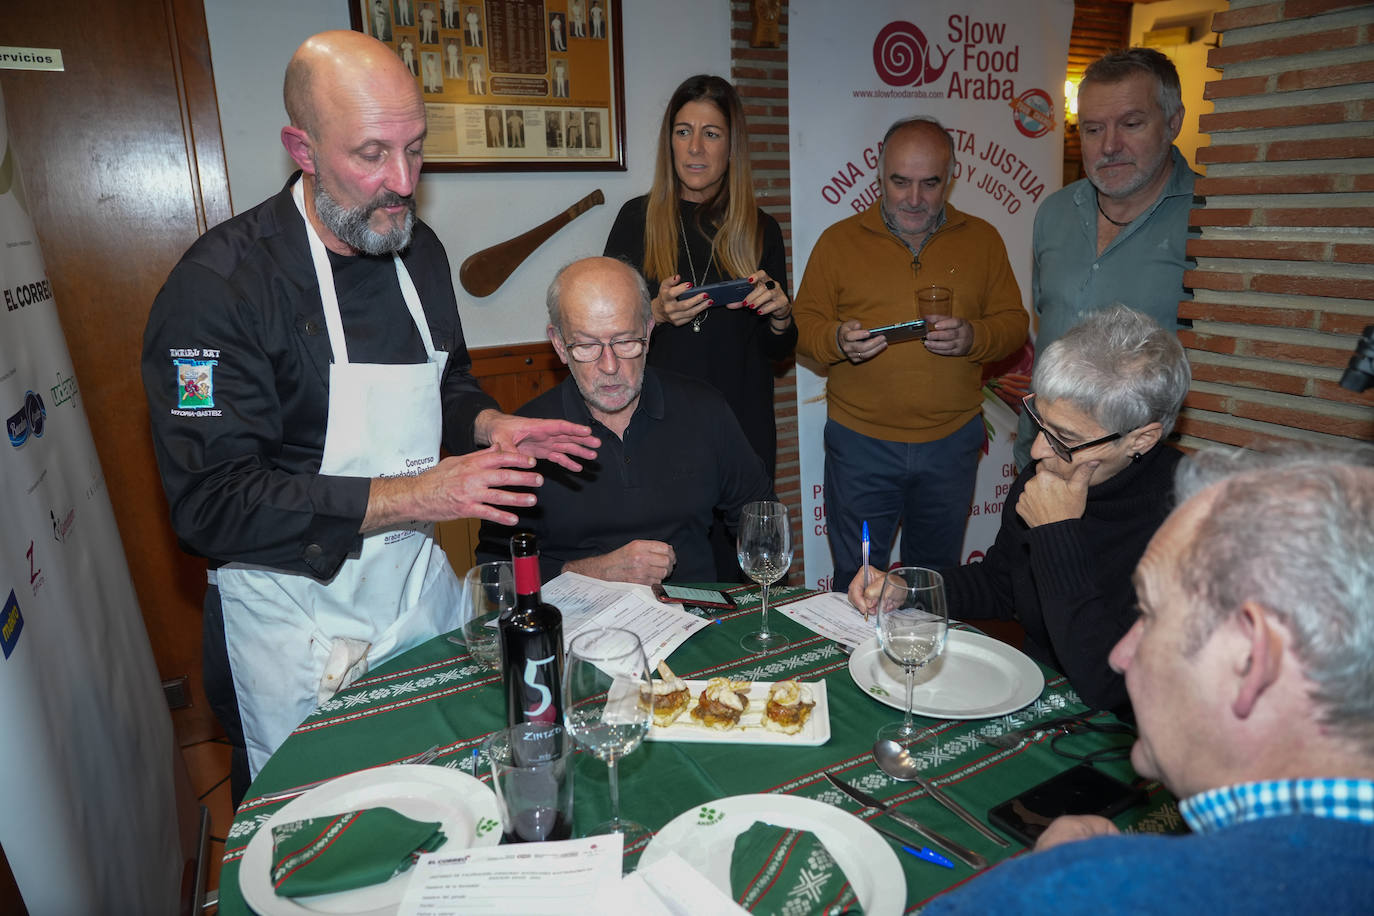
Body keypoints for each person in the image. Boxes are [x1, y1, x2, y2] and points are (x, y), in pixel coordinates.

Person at [141, 30, 597, 804]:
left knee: (448, 806)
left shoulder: (418, 252)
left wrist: (490, 426)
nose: (403, 183)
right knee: (323, 832)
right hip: (295, 623)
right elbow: (211, 504)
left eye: (416, 150)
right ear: (304, 149)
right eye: (372, 155)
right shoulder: (219, 290)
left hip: (413, 598)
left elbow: (448, 382)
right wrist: (419, 495)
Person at [923, 443, 1374, 913]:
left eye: (1150, 614)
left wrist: (1065, 888)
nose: (1121, 656)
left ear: (1249, 660)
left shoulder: (1081, 893)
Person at [850, 306, 1188, 715]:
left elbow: (1110, 686)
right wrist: (909, 590)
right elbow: (1001, 585)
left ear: (1142, 440)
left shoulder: (1189, 523)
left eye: (1065, 438)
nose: (1039, 450)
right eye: (1039, 423)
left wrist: (1056, 532)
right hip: (1036, 695)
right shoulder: (1049, 471)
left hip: (1119, 729)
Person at [794, 116, 1027, 588]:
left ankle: (925, 642)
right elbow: (801, 327)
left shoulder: (983, 239)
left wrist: (975, 337)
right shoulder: (838, 242)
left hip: (950, 444)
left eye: (930, 183)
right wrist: (836, 340)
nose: (914, 199)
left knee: (934, 583)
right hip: (861, 445)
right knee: (858, 581)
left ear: (951, 177)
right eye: (900, 182)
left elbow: (1014, 324)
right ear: (879, 176)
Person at [476, 257, 774, 585]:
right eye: (587, 345)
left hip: (694, 611)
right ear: (559, 344)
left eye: (625, 341)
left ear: (648, 331)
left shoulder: (704, 409)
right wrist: (591, 572)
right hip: (573, 615)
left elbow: (763, 523)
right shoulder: (526, 436)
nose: (609, 366)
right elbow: (495, 573)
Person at [604, 75, 793, 580]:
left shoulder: (761, 228)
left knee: (746, 576)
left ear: (732, 147)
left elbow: (779, 352)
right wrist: (655, 314)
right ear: (669, 141)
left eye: (711, 134)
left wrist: (780, 315)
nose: (694, 148)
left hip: (741, 431)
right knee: (668, 578)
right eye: (683, 131)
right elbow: (604, 336)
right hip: (659, 431)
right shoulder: (636, 219)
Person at [1015, 48, 1198, 470]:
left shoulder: (1210, 220)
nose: (1110, 146)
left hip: (1139, 474)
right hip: (1039, 457)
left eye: (1131, 124)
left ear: (1173, 123)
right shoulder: (1054, 213)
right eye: (1093, 129)